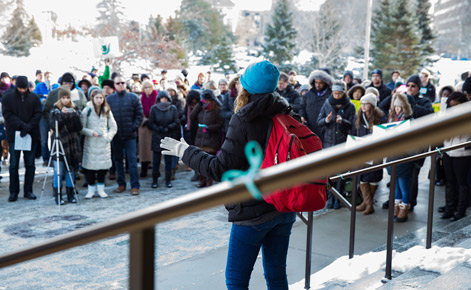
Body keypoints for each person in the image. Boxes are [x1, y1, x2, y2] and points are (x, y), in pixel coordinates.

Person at [160, 60, 296, 289]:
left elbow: (220, 169)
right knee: (276, 276)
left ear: (246, 88)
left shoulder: (243, 120)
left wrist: (185, 151)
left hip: (252, 211)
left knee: (236, 280)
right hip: (283, 206)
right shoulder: (285, 112)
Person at [2, 76, 42, 202]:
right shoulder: (8, 97)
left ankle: (28, 190)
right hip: (15, 134)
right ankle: (13, 191)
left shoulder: (34, 98)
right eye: (20, 88)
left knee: (30, 164)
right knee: (14, 164)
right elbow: (7, 114)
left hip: (30, 134)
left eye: (24, 88)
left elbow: (38, 114)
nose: (23, 91)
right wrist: (21, 125)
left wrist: (29, 126)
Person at [317, 80, 355, 209]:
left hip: (342, 142)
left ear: (343, 93)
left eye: (339, 93)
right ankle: (330, 196)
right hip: (328, 142)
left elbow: (353, 125)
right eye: (335, 93)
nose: (337, 96)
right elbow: (319, 121)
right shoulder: (327, 103)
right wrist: (326, 120)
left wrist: (342, 121)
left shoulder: (349, 106)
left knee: (340, 171)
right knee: (329, 171)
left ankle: (338, 198)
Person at [106, 76, 143, 195]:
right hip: (116, 135)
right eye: (118, 83)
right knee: (118, 161)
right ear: (115, 85)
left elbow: (139, 115)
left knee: (132, 161)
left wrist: (133, 127)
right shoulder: (110, 99)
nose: (121, 85)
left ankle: (135, 186)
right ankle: (121, 184)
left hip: (130, 135)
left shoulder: (133, 97)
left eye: (122, 83)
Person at [352, 93, 385, 215]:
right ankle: (368, 204)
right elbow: (354, 131)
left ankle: (367, 204)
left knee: (372, 178)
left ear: (372, 105)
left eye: (366, 104)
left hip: (375, 151)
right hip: (362, 150)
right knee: (362, 178)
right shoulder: (359, 117)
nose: (363, 106)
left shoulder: (380, 117)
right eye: (362, 104)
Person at [49, 86, 83, 205]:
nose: (65, 100)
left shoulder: (75, 109)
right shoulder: (54, 111)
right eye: (63, 98)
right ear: (59, 98)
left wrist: (75, 116)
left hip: (72, 143)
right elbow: (54, 126)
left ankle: (70, 194)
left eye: (68, 97)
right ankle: (58, 195)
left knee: (71, 170)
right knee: (58, 170)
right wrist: (62, 115)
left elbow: (79, 128)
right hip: (59, 142)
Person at [81, 89, 117, 199]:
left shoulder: (106, 110)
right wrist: (91, 132)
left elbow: (113, 126)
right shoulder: (87, 110)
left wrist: (108, 136)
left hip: (103, 143)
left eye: (101, 98)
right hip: (91, 142)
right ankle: (91, 189)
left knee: (102, 168)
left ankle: (101, 189)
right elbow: (81, 128)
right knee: (90, 168)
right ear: (92, 98)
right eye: (97, 98)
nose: (99, 100)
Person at [440, 92, 471, 221]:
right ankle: (449, 208)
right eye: (451, 106)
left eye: (456, 106)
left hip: (463, 153)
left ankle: (461, 210)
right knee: (449, 181)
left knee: (462, 182)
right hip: (448, 151)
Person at [387, 93, 414, 222]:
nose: (397, 109)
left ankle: (404, 208)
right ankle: (396, 206)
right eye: (396, 107)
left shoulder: (410, 121)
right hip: (392, 155)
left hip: (404, 156)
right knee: (395, 184)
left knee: (403, 184)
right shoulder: (392, 119)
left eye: (400, 107)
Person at [190, 89, 223, 188]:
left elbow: (220, 124)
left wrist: (209, 128)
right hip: (200, 139)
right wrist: (198, 105)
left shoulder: (216, 109)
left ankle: (209, 181)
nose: (206, 102)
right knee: (200, 161)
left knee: (209, 162)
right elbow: (192, 117)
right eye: (204, 100)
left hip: (211, 140)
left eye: (207, 100)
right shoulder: (200, 108)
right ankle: (202, 180)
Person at [147, 90, 180, 188]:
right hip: (157, 136)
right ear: (159, 99)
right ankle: (155, 180)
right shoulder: (154, 108)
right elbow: (151, 122)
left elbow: (176, 121)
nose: (164, 100)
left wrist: (168, 128)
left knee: (168, 161)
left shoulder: (173, 108)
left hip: (169, 136)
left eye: (165, 98)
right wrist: (158, 128)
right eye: (162, 98)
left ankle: (168, 179)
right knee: (156, 161)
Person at [300, 69, 334, 144]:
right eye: (316, 82)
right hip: (310, 127)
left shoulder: (331, 95)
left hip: (325, 129)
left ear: (326, 83)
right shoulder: (308, 95)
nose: (318, 85)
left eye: (320, 83)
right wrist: (302, 116)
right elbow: (302, 106)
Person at [138, 80, 157, 178]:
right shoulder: (141, 98)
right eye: (146, 87)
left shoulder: (157, 97)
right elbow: (138, 112)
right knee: (144, 148)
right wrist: (145, 121)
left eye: (149, 87)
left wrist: (153, 121)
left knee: (155, 149)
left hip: (155, 125)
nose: (148, 89)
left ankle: (156, 169)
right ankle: (144, 169)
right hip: (144, 125)